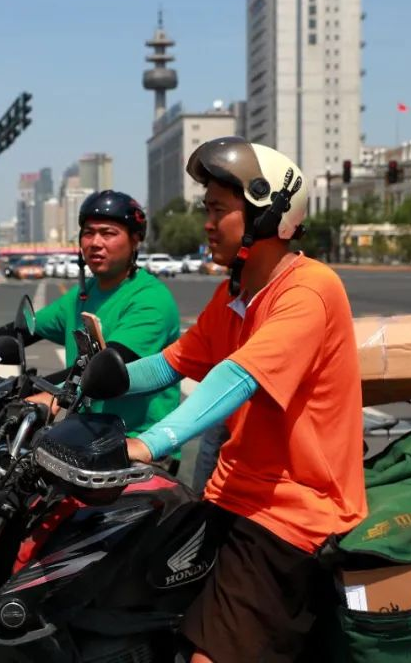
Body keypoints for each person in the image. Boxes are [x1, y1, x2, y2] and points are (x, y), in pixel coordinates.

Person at [121, 138, 367, 663]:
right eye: (205, 209)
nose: (207, 224)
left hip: (291, 510)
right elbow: (172, 363)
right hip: (231, 493)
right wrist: (96, 381)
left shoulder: (308, 290)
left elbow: (237, 376)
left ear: (265, 215)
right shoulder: (234, 294)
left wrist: (150, 442)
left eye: (218, 211)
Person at [0, 191, 180, 445]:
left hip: (138, 444)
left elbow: (106, 368)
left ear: (135, 240)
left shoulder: (150, 299)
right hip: (86, 435)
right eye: (88, 233)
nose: (95, 242)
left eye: (108, 233)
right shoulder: (83, 294)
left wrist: (48, 391)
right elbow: (22, 331)